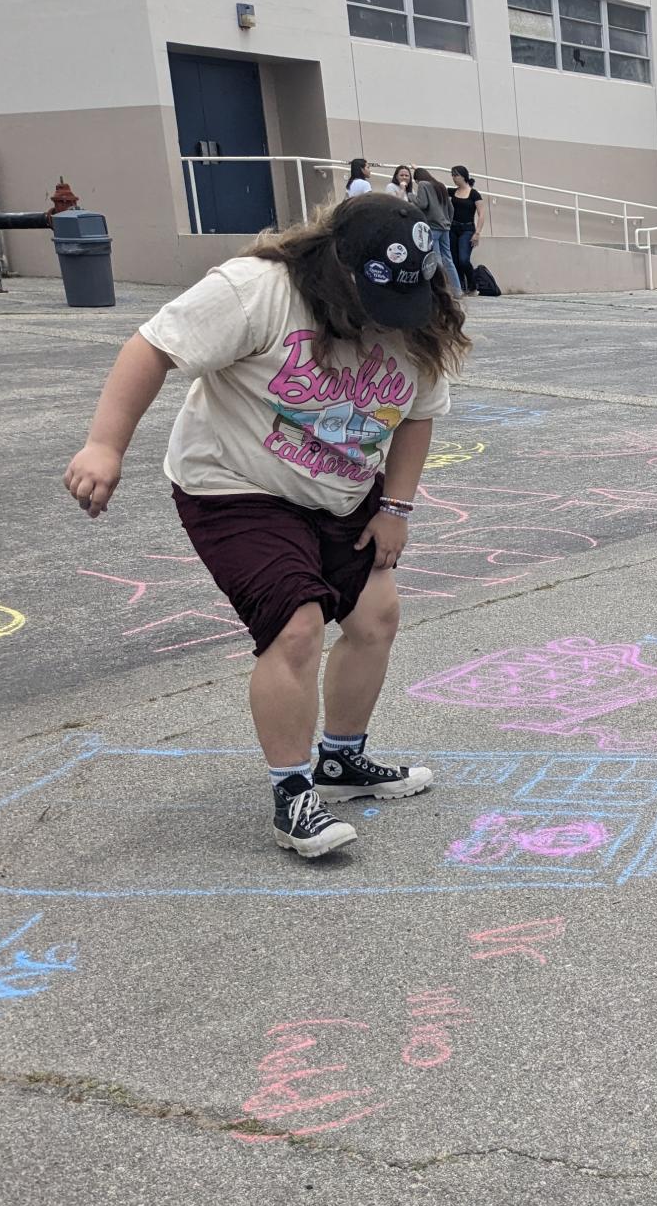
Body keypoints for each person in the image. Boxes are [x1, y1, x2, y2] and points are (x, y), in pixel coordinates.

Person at [61, 194, 469, 858]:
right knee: (297, 623)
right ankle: (293, 796)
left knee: (375, 616)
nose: (381, 321)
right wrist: (104, 445)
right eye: (370, 302)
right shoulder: (258, 290)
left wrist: (395, 509)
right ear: (337, 266)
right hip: (234, 484)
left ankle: (340, 762)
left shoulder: (420, 317)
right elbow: (154, 346)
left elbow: (419, 412)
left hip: (339, 489)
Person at [412, 167, 461, 298]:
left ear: (417, 179)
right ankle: (457, 290)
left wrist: (410, 196)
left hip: (432, 226)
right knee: (448, 259)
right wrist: (448, 222)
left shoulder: (423, 184)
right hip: (445, 227)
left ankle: (443, 289)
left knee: (437, 259)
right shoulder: (440, 185)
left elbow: (422, 204)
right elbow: (451, 208)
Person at [448, 165, 485, 291]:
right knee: (454, 260)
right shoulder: (452, 192)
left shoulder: (474, 194)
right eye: (452, 175)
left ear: (463, 176)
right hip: (453, 228)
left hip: (467, 229)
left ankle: (472, 283)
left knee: (464, 259)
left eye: (456, 175)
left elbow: (481, 214)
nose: (454, 178)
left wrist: (477, 233)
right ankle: (461, 286)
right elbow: (436, 186)